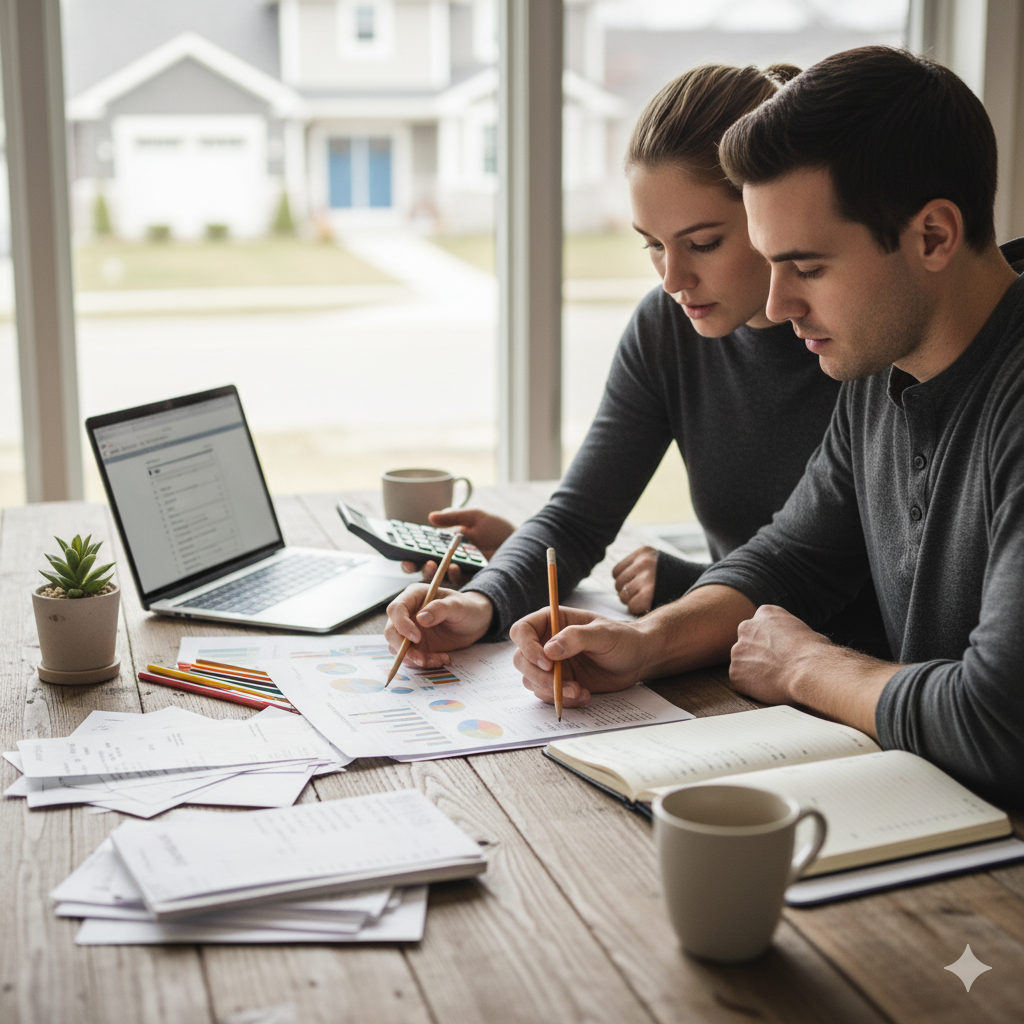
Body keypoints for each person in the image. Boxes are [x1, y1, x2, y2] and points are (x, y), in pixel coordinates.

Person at [510, 45, 1024, 808]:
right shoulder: (881, 364)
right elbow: (790, 560)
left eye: (808, 267)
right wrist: (647, 644)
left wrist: (807, 666)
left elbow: (999, 724)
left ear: (934, 237)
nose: (778, 307)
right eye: (770, 261)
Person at [385, 63, 886, 667]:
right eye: (652, 244)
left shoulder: (868, 340)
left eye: (703, 243)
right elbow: (577, 518)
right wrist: (483, 604)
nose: (673, 280)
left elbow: (841, 572)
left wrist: (686, 592)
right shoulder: (666, 328)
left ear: (767, 214)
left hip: (847, 680)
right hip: (736, 665)